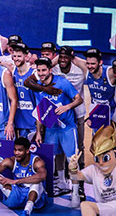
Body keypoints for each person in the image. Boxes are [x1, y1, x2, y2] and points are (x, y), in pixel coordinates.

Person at [33, 57, 83, 203]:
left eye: (44, 70)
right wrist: (38, 132)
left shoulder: (63, 83)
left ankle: (75, 193)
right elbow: (40, 112)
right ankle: (60, 183)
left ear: (50, 70)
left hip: (67, 128)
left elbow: (79, 99)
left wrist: (67, 107)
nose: (41, 73)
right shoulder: (39, 88)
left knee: (72, 160)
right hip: (51, 129)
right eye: (39, 70)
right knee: (53, 158)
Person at [52, 46, 86, 168]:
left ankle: (80, 166)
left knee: (79, 143)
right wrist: (57, 59)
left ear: (71, 58)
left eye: (66, 57)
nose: (62, 60)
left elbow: (88, 65)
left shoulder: (79, 71)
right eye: (60, 57)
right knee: (60, 143)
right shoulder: (54, 70)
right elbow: (45, 66)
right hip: (60, 114)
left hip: (78, 112)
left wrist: (73, 57)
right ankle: (61, 171)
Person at [11, 44, 37, 138]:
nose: (16, 59)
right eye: (14, 56)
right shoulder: (12, 71)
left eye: (19, 56)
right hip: (19, 121)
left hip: (33, 121)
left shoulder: (34, 73)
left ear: (26, 57)